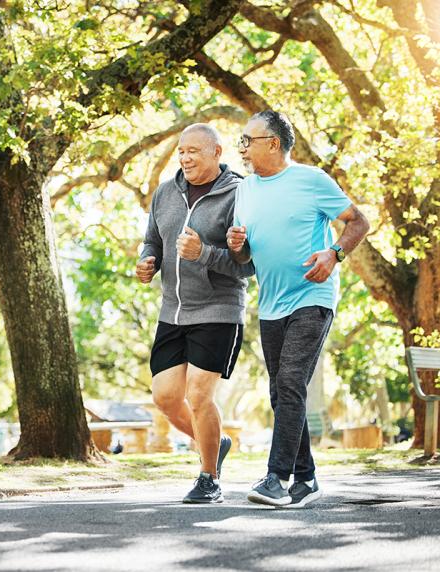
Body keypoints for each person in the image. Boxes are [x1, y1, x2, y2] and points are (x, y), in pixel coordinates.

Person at [227, 110, 369, 508]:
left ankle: (277, 478)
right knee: (280, 391)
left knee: (290, 382)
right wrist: (238, 246)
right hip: (271, 303)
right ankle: (306, 478)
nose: (243, 148)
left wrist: (335, 253)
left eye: (248, 140)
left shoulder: (311, 181)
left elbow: (360, 222)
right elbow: (245, 259)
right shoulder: (246, 190)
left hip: (313, 297)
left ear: (273, 143)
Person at [136, 123, 255, 504]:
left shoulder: (239, 194)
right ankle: (214, 442)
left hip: (219, 309)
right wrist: (147, 262)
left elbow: (247, 266)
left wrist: (202, 253)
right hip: (173, 310)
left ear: (217, 152)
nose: (185, 158)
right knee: (166, 397)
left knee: (200, 395)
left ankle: (209, 478)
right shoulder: (165, 193)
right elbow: (152, 239)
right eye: (181, 151)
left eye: (194, 151)